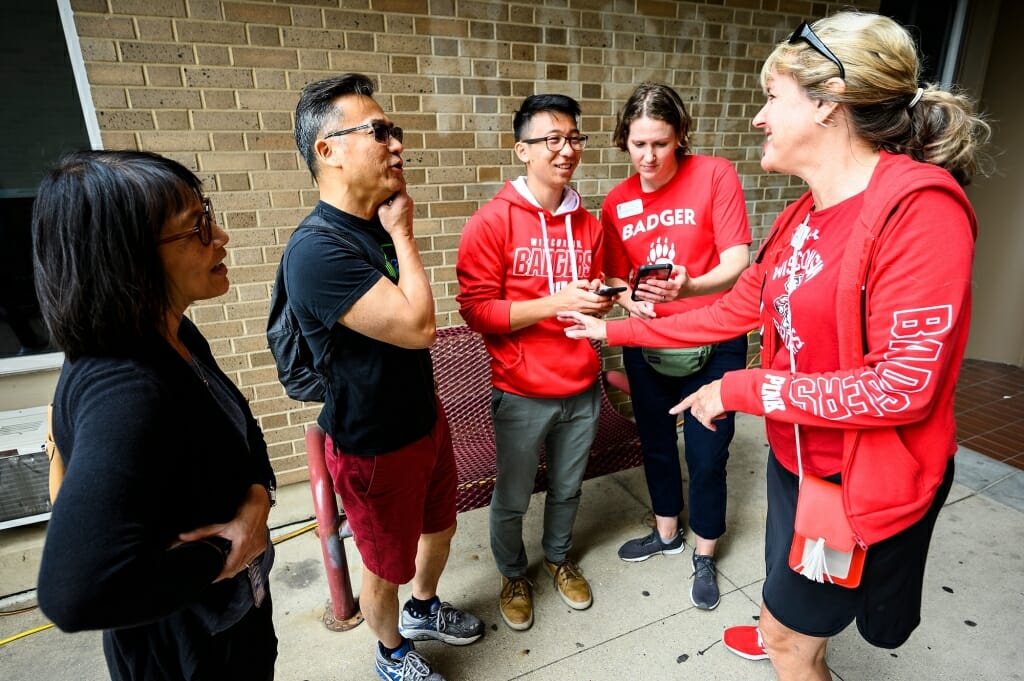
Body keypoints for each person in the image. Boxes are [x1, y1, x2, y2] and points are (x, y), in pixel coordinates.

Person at [560, 11, 989, 680]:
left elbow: (900, 387)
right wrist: (612, 329)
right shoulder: (801, 213)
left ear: (826, 102)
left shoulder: (919, 209)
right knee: (785, 609)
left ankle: (788, 639)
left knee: (790, 641)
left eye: (771, 98)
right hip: (799, 460)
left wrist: (738, 387)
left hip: (856, 476)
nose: (758, 118)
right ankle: (785, 627)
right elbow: (734, 310)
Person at [33, 150, 278, 680]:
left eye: (206, 214)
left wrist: (255, 503)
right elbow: (74, 591)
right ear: (128, 258)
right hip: (188, 655)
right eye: (196, 228)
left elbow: (241, 431)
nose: (221, 237)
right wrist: (221, 552)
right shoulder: (126, 388)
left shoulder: (175, 334)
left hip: (237, 621)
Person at [286, 73, 482, 681]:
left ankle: (423, 610)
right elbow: (420, 326)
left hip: (423, 419)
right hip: (372, 446)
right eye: (379, 131)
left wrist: (392, 229)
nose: (396, 143)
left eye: (393, 130)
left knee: (441, 527)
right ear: (328, 149)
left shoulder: (372, 223)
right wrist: (402, 231)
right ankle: (392, 651)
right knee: (383, 566)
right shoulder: (317, 249)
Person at [455, 94, 614, 632]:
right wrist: (557, 302)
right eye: (552, 139)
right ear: (522, 149)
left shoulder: (588, 226)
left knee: (569, 488)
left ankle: (559, 558)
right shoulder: (491, 223)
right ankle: (511, 573)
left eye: (573, 138)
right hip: (521, 390)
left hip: (582, 385)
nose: (565, 150)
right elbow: (478, 312)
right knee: (513, 495)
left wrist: (599, 298)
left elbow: (587, 295)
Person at [599, 82, 752, 610]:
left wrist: (691, 285)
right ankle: (666, 533)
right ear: (625, 142)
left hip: (716, 336)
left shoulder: (715, 175)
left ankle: (705, 553)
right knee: (658, 443)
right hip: (651, 339)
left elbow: (737, 262)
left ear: (680, 137)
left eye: (660, 144)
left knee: (708, 454)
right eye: (638, 144)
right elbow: (616, 275)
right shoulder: (617, 202)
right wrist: (627, 302)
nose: (648, 156)